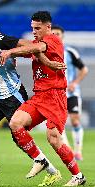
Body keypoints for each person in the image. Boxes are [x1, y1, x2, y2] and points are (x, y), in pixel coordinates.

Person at [0, 15, 63, 186]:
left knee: (20, 140)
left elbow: (27, 45)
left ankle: (53, 172)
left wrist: (47, 61)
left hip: (13, 95)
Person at [0, 11, 86, 186]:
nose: (34, 31)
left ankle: (78, 176)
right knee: (15, 123)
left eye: (37, 28)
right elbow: (31, 50)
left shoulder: (53, 40)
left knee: (53, 138)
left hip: (55, 96)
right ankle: (40, 160)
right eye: (32, 28)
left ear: (48, 27)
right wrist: (8, 50)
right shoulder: (38, 43)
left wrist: (10, 52)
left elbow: (36, 49)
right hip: (39, 96)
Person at [52, 25, 88, 161]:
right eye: (53, 34)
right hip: (56, 95)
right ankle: (69, 151)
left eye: (58, 34)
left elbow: (84, 69)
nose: (56, 36)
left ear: (63, 36)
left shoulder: (70, 52)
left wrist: (75, 83)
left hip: (71, 93)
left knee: (74, 120)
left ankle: (78, 151)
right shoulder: (46, 53)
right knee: (59, 124)